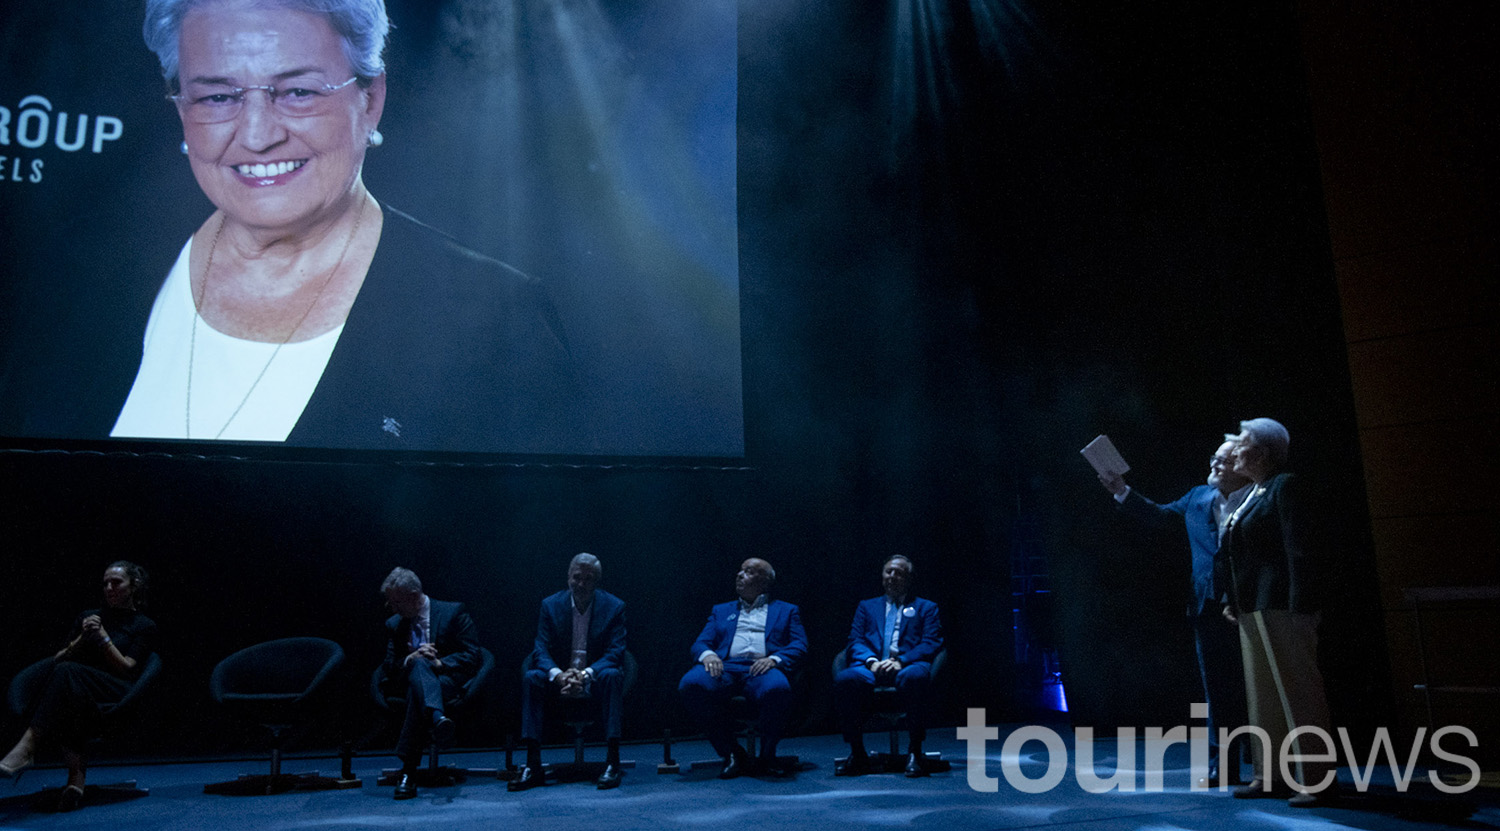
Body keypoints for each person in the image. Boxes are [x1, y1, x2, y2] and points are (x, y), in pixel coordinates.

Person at [112, 0, 585, 453]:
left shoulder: (499, 325)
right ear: (181, 109)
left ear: (370, 100)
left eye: (299, 92)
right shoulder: (102, 275)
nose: (257, 136)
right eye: (217, 97)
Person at [1098, 438, 1252, 787]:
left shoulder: (1259, 499)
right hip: (1208, 606)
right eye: (1214, 458)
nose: (1215, 465)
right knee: (1217, 688)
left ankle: (1263, 759)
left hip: (1250, 605)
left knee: (1254, 685)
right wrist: (1122, 491)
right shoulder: (1199, 497)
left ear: (1244, 467)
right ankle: (1222, 764)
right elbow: (1160, 516)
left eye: (1224, 461)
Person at [1217, 418, 1336, 807]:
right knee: (1263, 694)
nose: (1235, 450)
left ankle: (1315, 778)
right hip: (1253, 606)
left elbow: (1298, 549)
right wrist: (1233, 600)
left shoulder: (1285, 486)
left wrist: (1303, 605)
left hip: (1283, 604)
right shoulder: (1252, 492)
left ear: (1264, 452)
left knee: (1298, 691)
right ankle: (1270, 775)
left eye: (1243, 443)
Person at [0, 562, 158, 812]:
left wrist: (103, 639)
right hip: (79, 689)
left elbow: (128, 669)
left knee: (67, 676)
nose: (109, 588)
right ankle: (76, 779)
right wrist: (82, 639)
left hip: (117, 692)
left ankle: (29, 746)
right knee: (66, 688)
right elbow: (57, 659)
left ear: (134, 586)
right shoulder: (88, 616)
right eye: (105, 583)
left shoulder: (143, 625)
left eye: (116, 582)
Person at [678, 558, 807, 778]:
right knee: (691, 685)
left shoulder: (786, 610)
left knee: (777, 689)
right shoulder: (721, 610)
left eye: (748, 572)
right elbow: (701, 643)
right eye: (740, 571)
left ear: (765, 581)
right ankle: (731, 752)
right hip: (725, 667)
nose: (740, 575)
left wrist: (775, 659)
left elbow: (799, 644)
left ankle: (767, 756)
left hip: (762, 668)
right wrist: (708, 655)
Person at [511, 553, 628, 791]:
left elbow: (615, 652)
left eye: (588, 578)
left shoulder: (614, 607)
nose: (582, 584)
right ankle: (533, 765)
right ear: (568, 578)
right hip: (559, 681)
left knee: (613, 674)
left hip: (594, 680)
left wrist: (584, 675)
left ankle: (612, 762)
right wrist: (559, 675)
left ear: (597, 581)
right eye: (577, 577)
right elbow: (540, 649)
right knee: (533, 677)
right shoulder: (550, 605)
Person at [832, 555, 944, 778]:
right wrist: (872, 662)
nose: (892, 577)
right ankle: (857, 753)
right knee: (846, 679)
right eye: (888, 572)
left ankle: (915, 752)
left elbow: (931, 642)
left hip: (907, 665)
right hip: (871, 666)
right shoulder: (867, 607)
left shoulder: (926, 607)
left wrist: (900, 661)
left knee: (915, 678)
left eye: (899, 573)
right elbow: (855, 641)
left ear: (909, 578)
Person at [379, 567, 481, 800]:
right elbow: (388, 667)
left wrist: (438, 662)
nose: (392, 608)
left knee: (422, 679)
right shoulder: (395, 624)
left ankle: (408, 771)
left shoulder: (452, 612)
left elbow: (473, 654)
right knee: (418, 665)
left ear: (414, 597)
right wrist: (410, 659)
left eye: (397, 602)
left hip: (445, 680)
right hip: (410, 683)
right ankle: (438, 718)